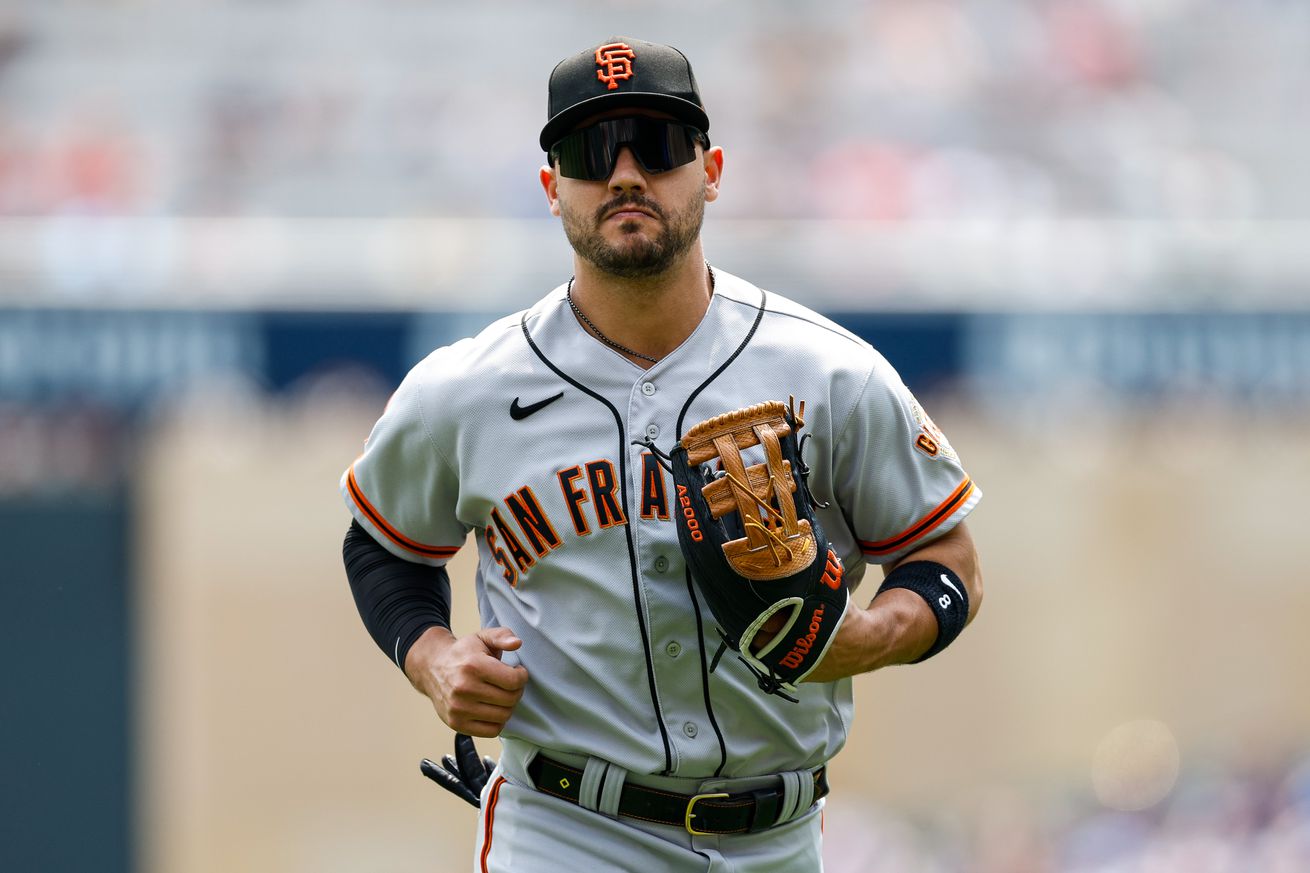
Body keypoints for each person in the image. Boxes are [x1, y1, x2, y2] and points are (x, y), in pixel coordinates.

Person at [340, 36, 983, 872]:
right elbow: (383, 544)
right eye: (591, 150)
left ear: (712, 169)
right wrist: (432, 658)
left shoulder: (828, 373)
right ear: (551, 187)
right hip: (566, 829)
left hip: (778, 837)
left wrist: (871, 634)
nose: (626, 173)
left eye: (661, 145)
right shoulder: (466, 389)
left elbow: (949, 558)